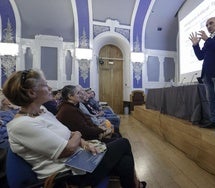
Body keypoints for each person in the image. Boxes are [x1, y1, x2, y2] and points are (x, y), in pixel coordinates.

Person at [3, 69, 146, 188]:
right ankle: (136, 185)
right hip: (66, 174)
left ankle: (135, 185)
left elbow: (68, 133)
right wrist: (78, 135)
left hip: (79, 159)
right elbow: (68, 149)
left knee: (124, 162)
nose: (51, 88)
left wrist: (83, 142)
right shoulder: (21, 125)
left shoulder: (42, 111)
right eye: (45, 85)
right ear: (31, 93)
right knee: (123, 143)